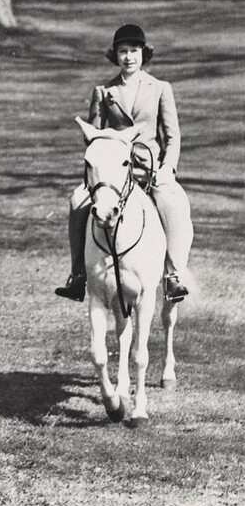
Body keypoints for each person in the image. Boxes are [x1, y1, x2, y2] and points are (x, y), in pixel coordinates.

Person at [55, 23, 193, 304]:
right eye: (122, 51)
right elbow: (93, 137)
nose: (128, 57)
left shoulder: (160, 88)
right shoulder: (103, 91)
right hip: (112, 171)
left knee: (174, 202)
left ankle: (172, 274)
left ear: (144, 53)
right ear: (114, 55)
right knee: (77, 201)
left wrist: (168, 167)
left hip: (149, 168)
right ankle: (78, 275)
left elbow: (172, 136)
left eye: (133, 51)